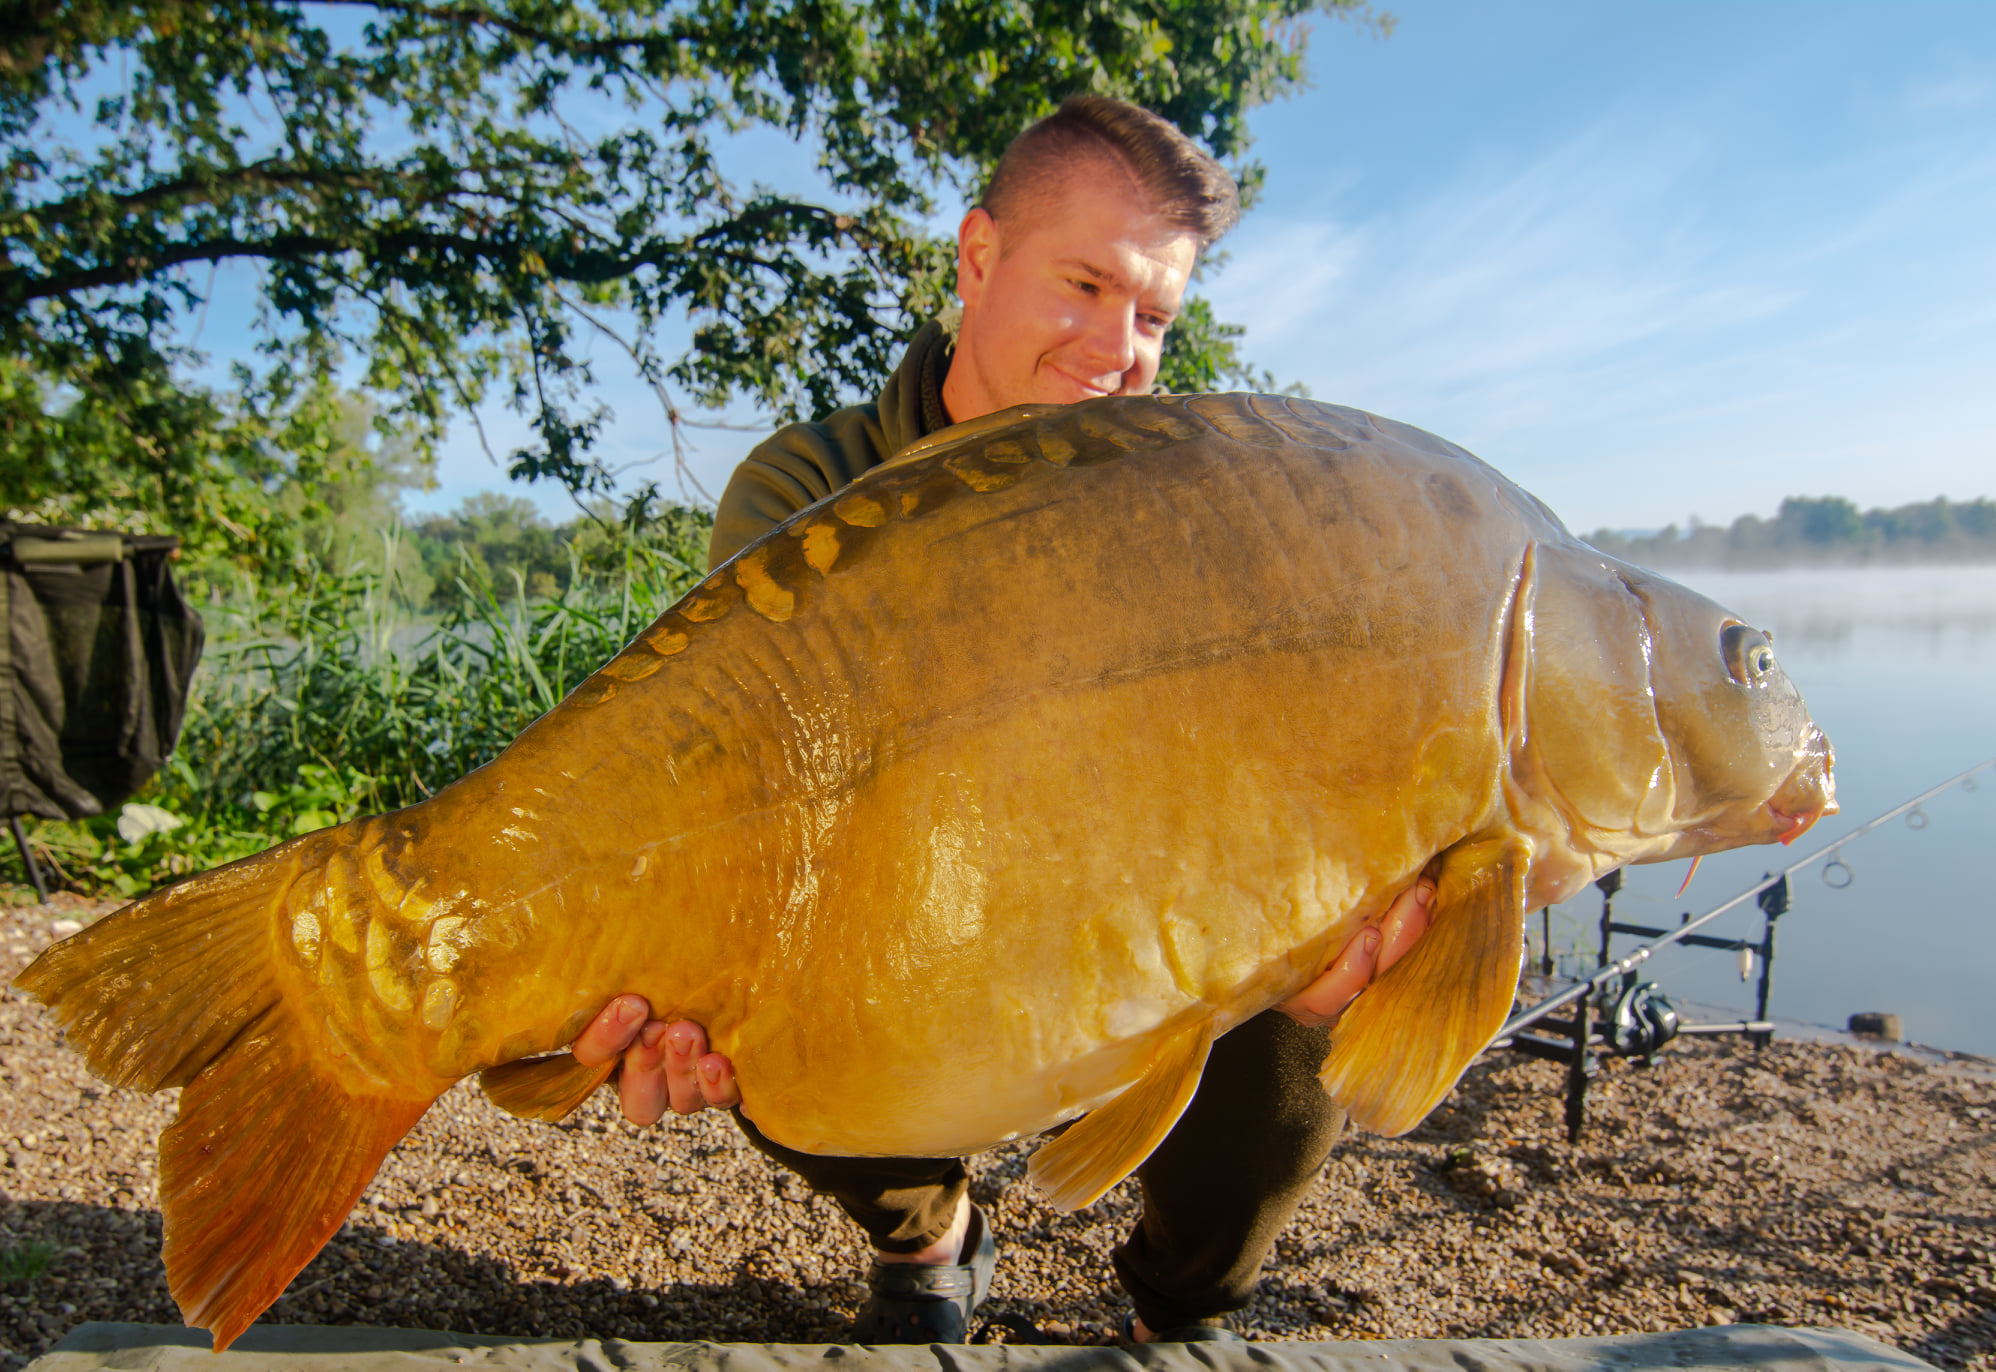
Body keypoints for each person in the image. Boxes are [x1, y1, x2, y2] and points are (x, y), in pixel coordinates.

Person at [571, 95, 1435, 1345]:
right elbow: (768, 806)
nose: (1116, 346)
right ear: (977, 259)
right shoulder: (809, 486)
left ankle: (1181, 1304)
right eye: (1083, 285)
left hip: (1130, 907)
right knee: (738, 987)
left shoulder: (1191, 502)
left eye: (1153, 316)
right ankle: (932, 1229)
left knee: (1311, 990)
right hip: (903, 908)